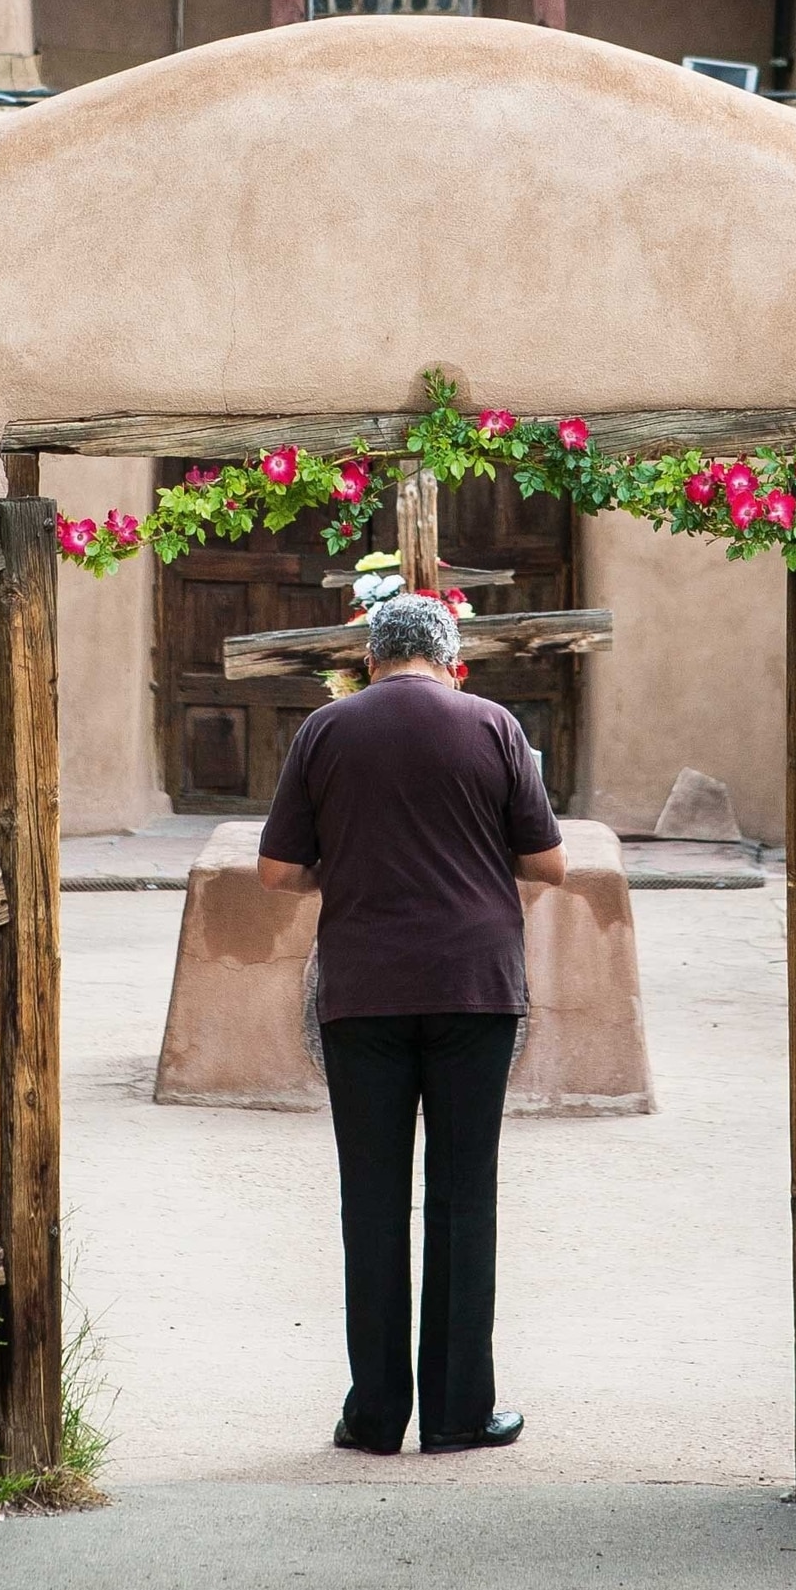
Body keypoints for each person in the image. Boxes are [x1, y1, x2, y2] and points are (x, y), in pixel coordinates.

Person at [257, 587, 566, 1455]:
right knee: (465, 1197)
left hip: (364, 991)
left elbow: (277, 872)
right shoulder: (495, 726)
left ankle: (374, 1414)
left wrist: (348, 871)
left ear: (369, 658)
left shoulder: (326, 730)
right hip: (477, 985)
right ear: (452, 661)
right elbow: (549, 862)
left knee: (373, 1200)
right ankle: (462, 1412)